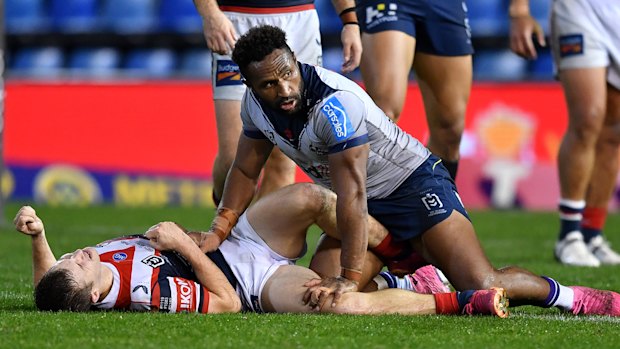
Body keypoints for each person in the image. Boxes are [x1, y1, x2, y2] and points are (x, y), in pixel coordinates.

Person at [204, 24, 620, 316]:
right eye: (269, 85)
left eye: (288, 74)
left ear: (296, 61)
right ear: (250, 85)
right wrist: (219, 231)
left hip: (413, 187)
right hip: (363, 208)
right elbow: (244, 170)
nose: (285, 89)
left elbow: (352, 196)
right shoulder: (255, 107)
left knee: (481, 282)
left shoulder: (336, 105)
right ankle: (409, 281)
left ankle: (574, 297)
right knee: (318, 296)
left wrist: (350, 275)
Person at [13, 183, 507, 317]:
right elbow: (225, 301)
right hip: (251, 282)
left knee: (314, 198)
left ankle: (404, 255)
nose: (74, 256)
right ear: (97, 297)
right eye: (75, 264)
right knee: (336, 303)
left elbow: (50, 287)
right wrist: (184, 242)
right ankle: (454, 300)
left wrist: (39, 238)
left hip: (242, 240)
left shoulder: (78, 279)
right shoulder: (146, 292)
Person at [192, 0, 362, 204]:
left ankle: (256, 235)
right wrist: (210, 13)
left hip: (300, 20)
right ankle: (225, 215)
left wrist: (350, 21)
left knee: (284, 160)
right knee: (232, 158)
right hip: (236, 20)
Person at [509, 0, 620, 266]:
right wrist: (519, 11)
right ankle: (569, 235)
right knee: (588, 117)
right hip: (578, 8)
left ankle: (591, 233)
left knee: (615, 129)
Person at [354, 0, 473, 180]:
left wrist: (518, 10)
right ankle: (365, 203)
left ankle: (437, 202)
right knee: (384, 113)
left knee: (450, 130)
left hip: (445, 6)